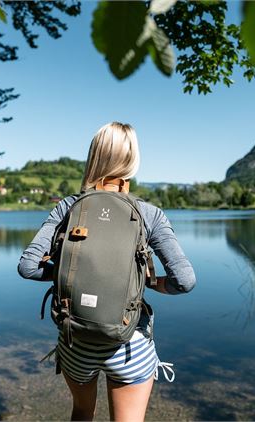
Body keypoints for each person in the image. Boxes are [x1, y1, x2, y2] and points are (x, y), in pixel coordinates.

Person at [18, 122, 196, 421]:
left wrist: (66, 274)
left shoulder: (68, 208)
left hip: (76, 339)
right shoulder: (148, 213)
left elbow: (28, 266)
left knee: (82, 412)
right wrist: (148, 281)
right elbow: (185, 281)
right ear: (132, 161)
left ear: (93, 157)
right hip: (129, 342)